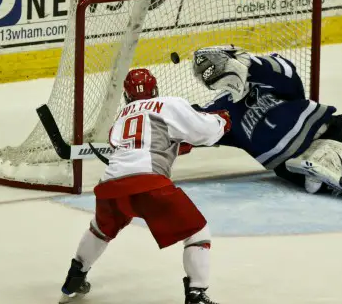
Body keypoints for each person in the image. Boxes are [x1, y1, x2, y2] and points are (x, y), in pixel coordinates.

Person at [58, 69, 231, 304]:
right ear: (155, 90)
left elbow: (134, 142)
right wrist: (221, 121)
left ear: (127, 97)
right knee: (197, 233)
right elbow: (204, 132)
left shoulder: (121, 117)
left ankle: (74, 279)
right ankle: (196, 295)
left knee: (100, 229)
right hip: (148, 184)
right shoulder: (168, 104)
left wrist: (175, 146)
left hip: (110, 184)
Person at [188, 45, 342, 204]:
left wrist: (252, 64)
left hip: (324, 131)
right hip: (295, 153)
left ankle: (332, 177)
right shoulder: (220, 109)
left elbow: (289, 74)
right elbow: (189, 122)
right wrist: (153, 107)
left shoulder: (263, 79)